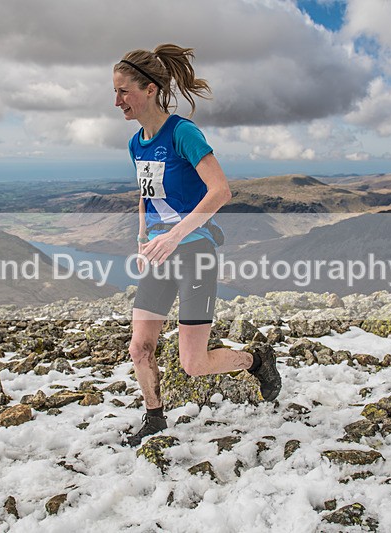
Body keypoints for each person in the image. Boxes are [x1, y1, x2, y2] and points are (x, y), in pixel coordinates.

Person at [113, 44, 282, 447]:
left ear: (150, 89)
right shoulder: (137, 143)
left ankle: (257, 360)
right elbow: (146, 195)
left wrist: (175, 235)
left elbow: (221, 191)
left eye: (123, 91)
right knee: (140, 347)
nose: (116, 101)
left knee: (193, 363)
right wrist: (143, 239)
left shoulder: (183, 133)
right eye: (115, 92)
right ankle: (155, 418)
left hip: (194, 254)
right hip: (158, 255)